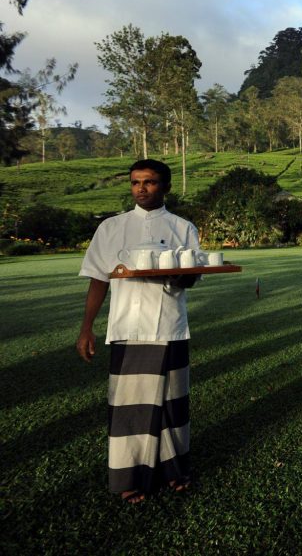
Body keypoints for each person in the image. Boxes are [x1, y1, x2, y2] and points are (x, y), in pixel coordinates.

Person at [77, 159, 200, 504]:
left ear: (166, 187)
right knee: (130, 406)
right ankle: (129, 477)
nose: (141, 188)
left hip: (170, 326)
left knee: (172, 404)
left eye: (149, 182)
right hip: (127, 327)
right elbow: (98, 279)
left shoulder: (182, 227)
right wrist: (87, 328)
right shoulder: (111, 228)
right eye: (135, 183)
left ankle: (175, 471)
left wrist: (180, 275)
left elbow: (191, 277)